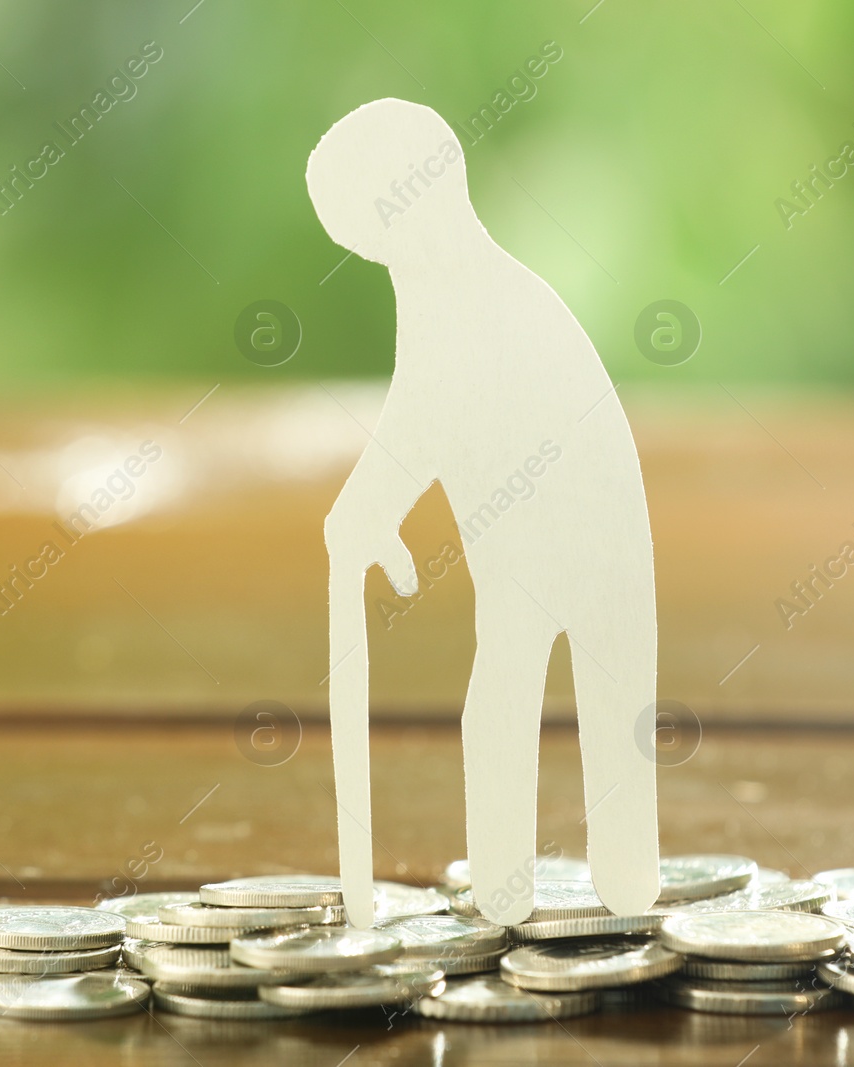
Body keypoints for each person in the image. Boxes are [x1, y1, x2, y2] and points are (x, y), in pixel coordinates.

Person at [307, 98, 659, 927]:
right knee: (571, 706)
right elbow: (425, 422)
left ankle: (569, 887)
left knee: (535, 708)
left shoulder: (466, 299)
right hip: (553, 555)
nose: (376, 253)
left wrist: (362, 510)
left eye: (371, 231)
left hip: (563, 550)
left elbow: (423, 419)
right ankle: (584, 882)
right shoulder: (464, 287)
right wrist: (365, 515)